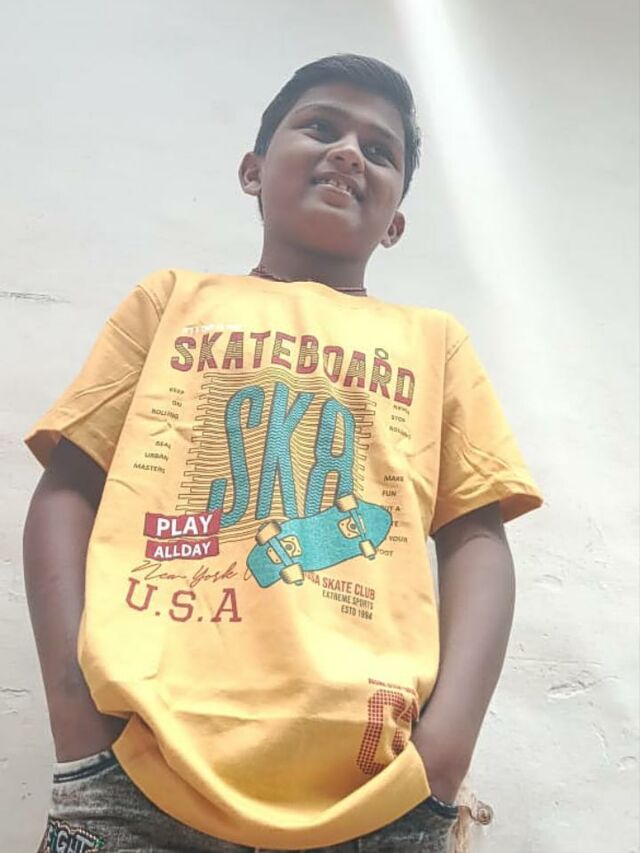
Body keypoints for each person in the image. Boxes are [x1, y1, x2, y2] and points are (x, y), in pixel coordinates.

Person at [23, 54, 543, 853]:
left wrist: (444, 754)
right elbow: (68, 489)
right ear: (253, 171)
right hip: (138, 773)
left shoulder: (435, 344)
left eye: (380, 151)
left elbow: (478, 538)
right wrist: (75, 715)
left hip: (375, 793)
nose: (349, 153)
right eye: (322, 126)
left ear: (396, 221)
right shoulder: (171, 302)